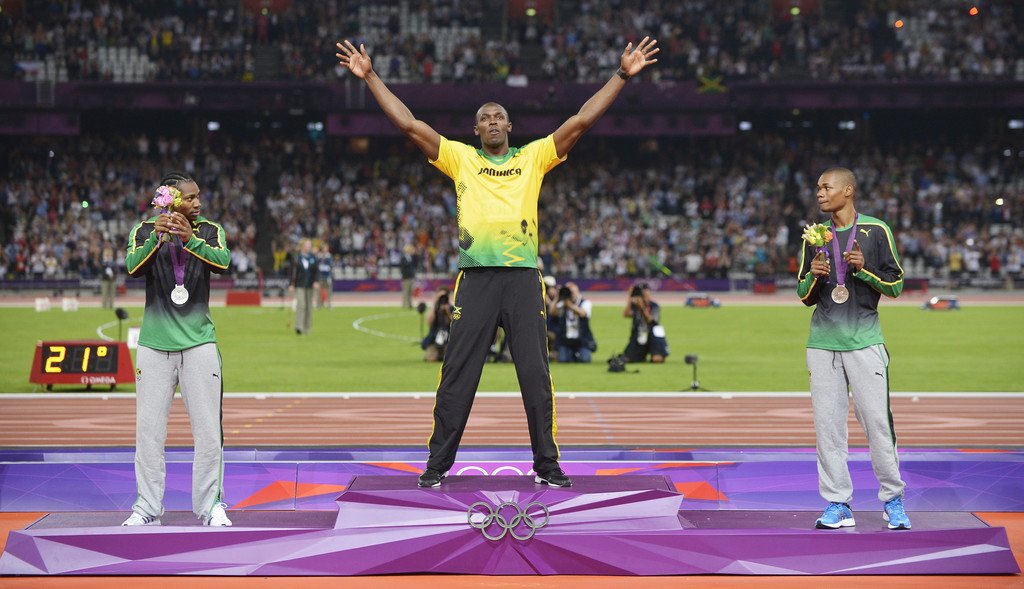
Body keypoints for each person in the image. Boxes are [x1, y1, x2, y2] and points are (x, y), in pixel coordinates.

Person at [336, 34, 659, 489]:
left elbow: (582, 120)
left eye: (498, 117)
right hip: (476, 278)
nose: (492, 122)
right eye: (484, 118)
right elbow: (409, 125)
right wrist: (370, 77)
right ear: (475, 130)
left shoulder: (533, 157)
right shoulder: (460, 159)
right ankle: (437, 465)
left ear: (509, 126)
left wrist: (622, 74)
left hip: (523, 279)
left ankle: (547, 465)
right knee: (457, 374)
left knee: (535, 375)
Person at [797, 166, 911, 531]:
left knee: (877, 424)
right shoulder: (815, 235)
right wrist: (814, 277)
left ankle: (892, 500)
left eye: (826, 187)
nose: (819, 193)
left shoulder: (876, 231)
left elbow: (896, 286)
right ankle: (838, 504)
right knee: (828, 429)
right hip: (822, 343)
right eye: (818, 187)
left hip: (865, 341)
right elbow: (802, 295)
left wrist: (864, 269)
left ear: (847, 191)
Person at [122, 171, 232, 527]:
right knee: (149, 433)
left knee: (208, 432)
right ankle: (146, 508)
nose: (198, 202)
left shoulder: (209, 230)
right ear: (170, 199)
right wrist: (158, 238)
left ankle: (210, 506)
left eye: (199, 196)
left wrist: (190, 240)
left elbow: (224, 262)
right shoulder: (144, 230)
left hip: (200, 342)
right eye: (191, 197)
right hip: (154, 344)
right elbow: (132, 268)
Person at [549, 281, 596, 363]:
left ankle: (575, 355)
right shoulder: (562, 304)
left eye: (573, 292)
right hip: (566, 340)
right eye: (570, 292)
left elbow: (582, 313)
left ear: (577, 292)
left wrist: (570, 305)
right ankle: (572, 355)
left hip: (582, 340)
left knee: (585, 359)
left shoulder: (585, 303)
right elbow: (552, 312)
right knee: (563, 360)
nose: (572, 294)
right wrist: (558, 296)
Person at [622, 283, 669, 363]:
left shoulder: (654, 306)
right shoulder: (636, 306)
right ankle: (640, 355)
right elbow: (626, 314)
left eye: (647, 295)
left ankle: (658, 353)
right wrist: (630, 297)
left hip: (653, 335)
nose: (646, 298)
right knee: (628, 359)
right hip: (639, 334)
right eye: (643, 296)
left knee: (657, 359)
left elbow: (651, 321)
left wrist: (642, 307)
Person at [290, 238, 317, 335]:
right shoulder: (297, 257)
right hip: (300, 284)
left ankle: (307, 327)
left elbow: (316, 271)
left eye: (310, 245)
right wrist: (291, 284)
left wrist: (316, 281)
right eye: (307, 245)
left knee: (309, 306)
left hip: (310, 284)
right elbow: (293, 272)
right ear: (302, 246)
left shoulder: (313, 257)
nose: (309, 247)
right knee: (301, 304)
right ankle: (298, 326)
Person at [422, 286, 452, 361]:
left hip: (448, 341)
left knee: (449, 359)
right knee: (432, 358)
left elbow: (455, 324)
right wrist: (435, 305)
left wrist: (447, 311)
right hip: (434, 340)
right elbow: (429, 322)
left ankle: (442, 354)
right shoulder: (434, 308)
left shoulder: (452, 308)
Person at [399, 244, 418, 309]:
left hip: (411, 276)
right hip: (406, 277)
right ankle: (404, 305)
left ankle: (410, 304)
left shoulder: (411, 257)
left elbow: (415, 264)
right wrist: (404, 276)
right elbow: (402, 268)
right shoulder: (403, 258)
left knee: (410, 292)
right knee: (406, 291)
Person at [99, 244, 117, 309]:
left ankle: (111, 305)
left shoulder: (113, 262)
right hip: (105, 279)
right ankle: (104, 305)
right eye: (107, 253)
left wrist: (113, 275)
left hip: (112, 279)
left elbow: (115, 270)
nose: (108, 254)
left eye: (109, 253)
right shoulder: (103, 262)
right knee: (104, 293)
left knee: (112, 293)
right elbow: (102, 270)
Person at [316, 244, 333, 309]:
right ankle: (319, 304)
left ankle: (329, 304)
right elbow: (317, 264)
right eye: (324, 248)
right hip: (320, 276)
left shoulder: (329, 256)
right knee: (319, 291)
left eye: (326, 248)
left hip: (327, 276)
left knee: (329, 291)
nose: (325, 249)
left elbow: (330, 265)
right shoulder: (319, 256)